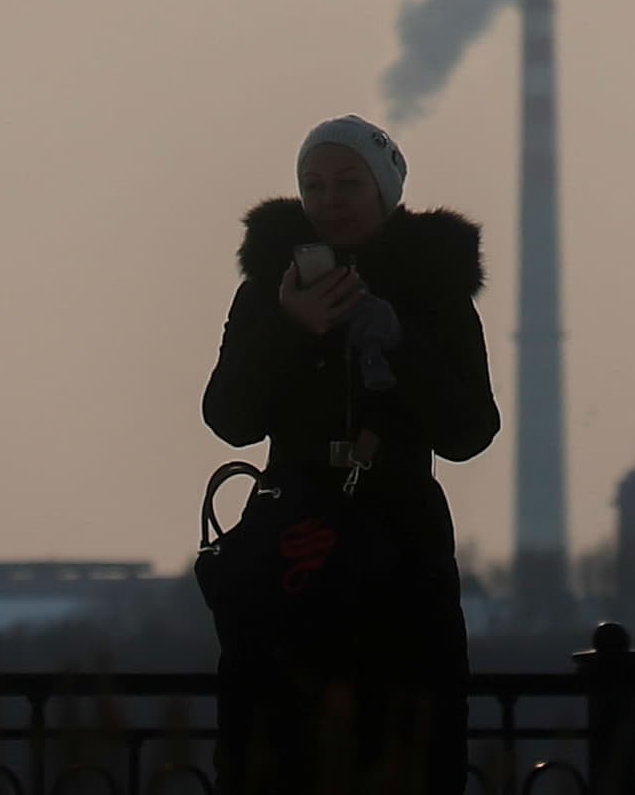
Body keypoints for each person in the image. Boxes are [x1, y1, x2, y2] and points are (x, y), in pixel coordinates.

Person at [204, 116, 498, 792]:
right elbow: (228, 418)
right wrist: (289, 328)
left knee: (407, 758)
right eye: (314, 184)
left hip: (400, 563)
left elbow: (469, 430)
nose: (330, 199)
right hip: (292, 562)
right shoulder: (267, 291)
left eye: (348, 182)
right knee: (279, 757)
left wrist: (398, 341)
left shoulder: (434, 292)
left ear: (385, 190)